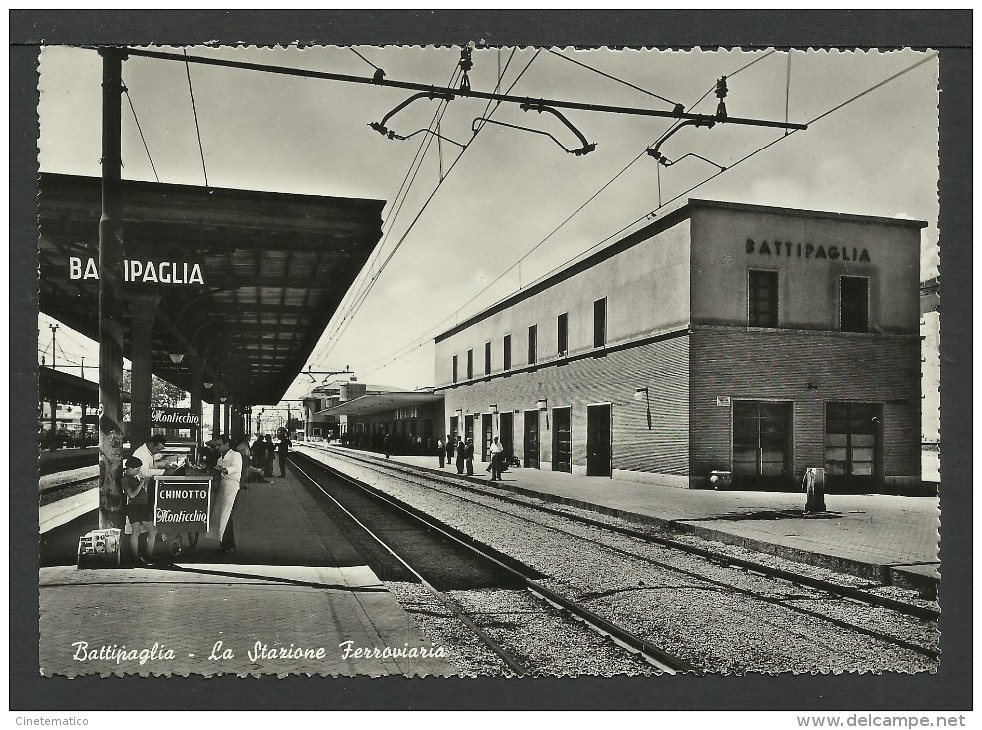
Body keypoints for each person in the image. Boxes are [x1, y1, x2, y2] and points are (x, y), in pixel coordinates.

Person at [209, 435, 242, 554]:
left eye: (219, 445)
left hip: (232, 486)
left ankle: (231, 545)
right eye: (216, 445)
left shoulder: (235, 455)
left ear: (227, 444)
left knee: (227, 516)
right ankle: (223, 544)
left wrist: (223, 469)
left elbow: (236, 468)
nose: (217, 447)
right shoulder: (219, 458)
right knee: (220, 516)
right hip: (222, 487)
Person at [122, 455, 156, 565]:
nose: (138, 471)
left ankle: (136, 557)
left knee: (136, 532)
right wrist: (141, 484)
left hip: (139, 507)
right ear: (130, 469)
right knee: (151, 530)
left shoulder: (132, 477)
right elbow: (131, 495)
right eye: (137, 469)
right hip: (136, 507)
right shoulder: (126, 479)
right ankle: (147, 555)